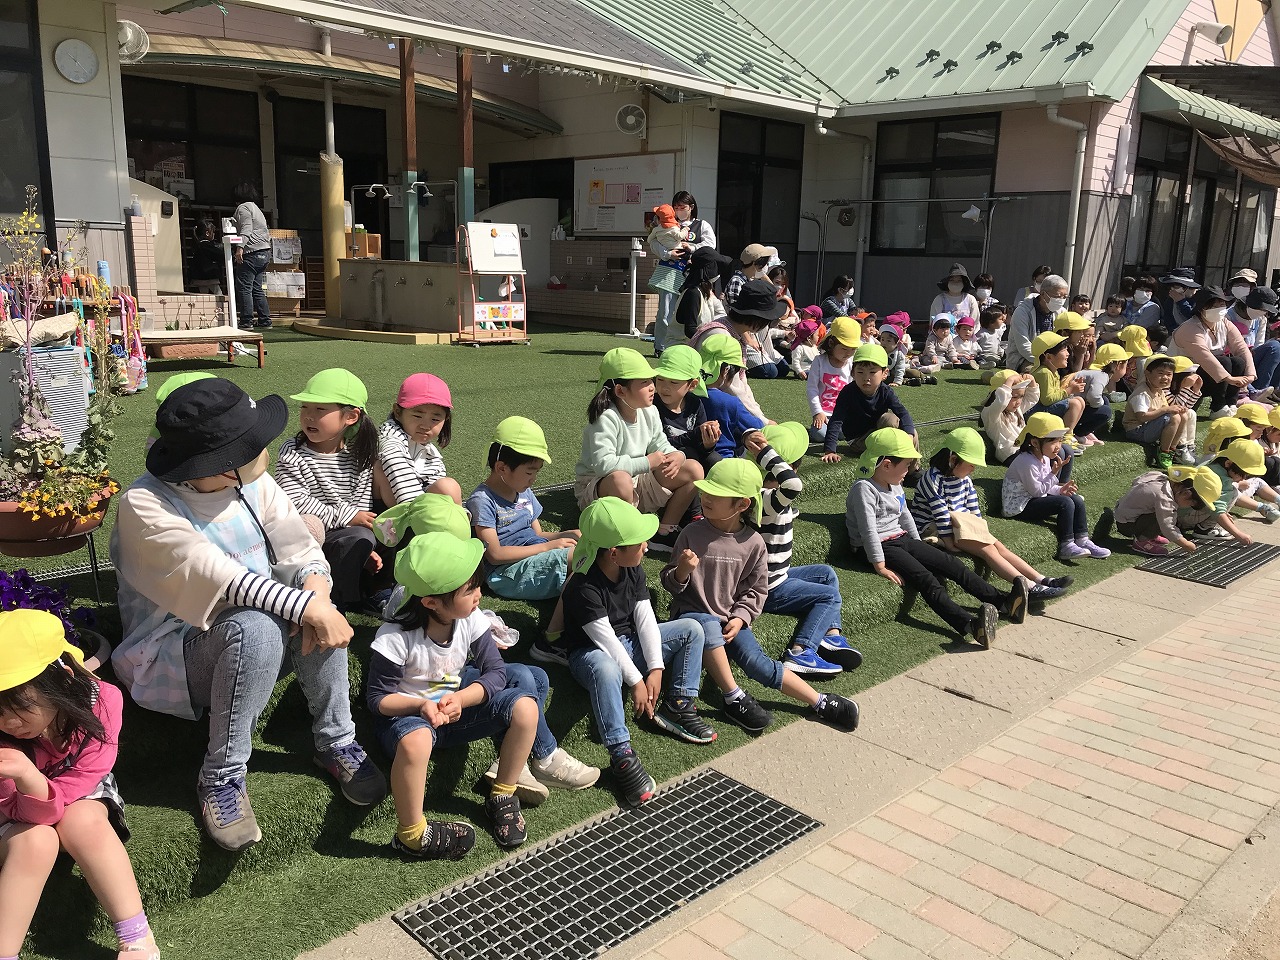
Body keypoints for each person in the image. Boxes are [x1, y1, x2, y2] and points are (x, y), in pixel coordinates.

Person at [110, 379, 387, 852]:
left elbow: (299, 549)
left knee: (309, 607)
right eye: (250, 444)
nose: (264, 449)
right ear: (218, 463)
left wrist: (315, 591)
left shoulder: (253, 481)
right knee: (260, 624)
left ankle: (336, 740)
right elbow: (221, 579)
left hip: (262, 635)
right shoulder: (144, 504)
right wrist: (306, 606)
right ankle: (221, 776)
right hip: (175, 652)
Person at [369, 534, 547, 856]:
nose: (479, 594)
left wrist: (462, 699)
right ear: (431, 602)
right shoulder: (395, 638)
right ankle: (412, 834)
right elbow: (379, 700)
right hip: (409, 718)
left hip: (455, 708)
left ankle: (502, 794)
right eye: (470, 589)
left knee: (526, 708)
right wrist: (422, 705)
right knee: (416, 741)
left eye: (477, 585)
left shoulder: (470, 619)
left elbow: (496, 672)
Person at [0, 610, 160, 960]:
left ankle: (137, 938)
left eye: (20, 704)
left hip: (77, 792)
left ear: (63, 680)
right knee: (37, 841)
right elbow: (15, 808)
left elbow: (89, 774)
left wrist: (37, 784)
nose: (9, 722)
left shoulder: (103, 702)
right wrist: (28, 778)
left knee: (83, 820)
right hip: (11, 812)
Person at [661, 460, 861, 734]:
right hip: (693, 616)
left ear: (742, 505)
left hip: (729, 619)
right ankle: (733, 697)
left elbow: (756, 590)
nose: (705, 498)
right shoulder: (691, 533)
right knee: (706, 624)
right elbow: (671, 584)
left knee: (758, 662)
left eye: (716, 495)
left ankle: (820, 701)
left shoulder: (754, 543)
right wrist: (682, 571)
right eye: (706, 491)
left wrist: (741, 617)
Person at [562, 498, 715, 806]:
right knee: (607, 668)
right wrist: (636, 681)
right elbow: (605, 641)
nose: (646, 546)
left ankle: (678, 704)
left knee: (692, 629)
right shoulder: (584, 587)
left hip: (629, 644)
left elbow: (645, 620)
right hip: (591, 654)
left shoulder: (633, 569)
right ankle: (621, 753)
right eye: (639, 542)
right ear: (614, 553)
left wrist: (656, 668)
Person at [846, 428, 1019, 647]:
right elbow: (869, 530)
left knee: (952, 564)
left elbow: (905, 515)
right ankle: (971, 625)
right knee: (927, 580)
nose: (909, 470)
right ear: (887, 464)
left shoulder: (895, 484)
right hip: (879, 546)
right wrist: (880, 565)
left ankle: (1002, 602)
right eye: (906, 465)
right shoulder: (864, 489)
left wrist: (919, 546)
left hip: (902, 539)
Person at [747, 424, 863, 675]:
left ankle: (831, 636)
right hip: (769, 587)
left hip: (776, 575)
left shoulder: (762, 494)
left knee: (826, 574)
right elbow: (793, 485)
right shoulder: (767, 499)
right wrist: (766, 452)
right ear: (791, 467)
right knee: (829, 597)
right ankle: (802, 651)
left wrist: (753, 442)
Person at [910, 428, 1070, 601]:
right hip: (934, 528)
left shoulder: (964, 479)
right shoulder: (931, 479)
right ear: (953, 460)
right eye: (971, 464)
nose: (973, 469)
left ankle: (1042, 579)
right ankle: (1030, 587)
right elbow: (941, 514)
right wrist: (949, 543)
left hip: (961, 524)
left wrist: (980, 531)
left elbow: (973, 508)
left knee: (999, 547)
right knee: (989, 551)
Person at [574, 347, 703, 553]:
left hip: (637, 480)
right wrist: (647, 463)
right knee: (620, 479)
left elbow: (660, 443)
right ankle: (629, 535)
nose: (653, 387)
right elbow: (603, 465)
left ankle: (664, 532)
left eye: (652, 380)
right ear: (620, 391)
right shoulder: (606, 418)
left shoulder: (649, 411)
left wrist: (677, 455)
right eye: (644, 382)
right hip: (600, 487)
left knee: (693, 469)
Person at [275, 369, 381, 612]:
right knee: (314, 525)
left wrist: (362, 547)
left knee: (365, 536)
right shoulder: (292, 450)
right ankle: (324, 599)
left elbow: (361, 505)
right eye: (305, 407)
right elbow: (294, 501)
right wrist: (346, 516)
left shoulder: (358, 453)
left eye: (320, 409)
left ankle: (361, 594)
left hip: (341, 535)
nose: (308, 416)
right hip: (306, 536)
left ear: (351, 416)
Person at [466, 417, 579, 601]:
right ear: (502, 468)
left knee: (593, 549)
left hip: (535, 554)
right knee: (580, 556)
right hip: (505, 573)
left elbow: (538, 534)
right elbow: (494, 555)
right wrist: (547, 547)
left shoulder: (523, 491)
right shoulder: (483, 500)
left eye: (536, 472)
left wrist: (567, 534)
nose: (533, 479)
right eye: (529, 472)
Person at [1002, 412, 1110, 560]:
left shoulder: (1044, 458)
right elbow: (1037, 491)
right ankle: (1066, 545)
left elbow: (1044, 487)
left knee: (1076, 499)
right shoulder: (1026, 462)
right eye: (1053, 441)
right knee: (1065, 503)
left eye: (1060, 441)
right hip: (1019, 507)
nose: (1058, 446)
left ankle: (1083, 540)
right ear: (1035, 443)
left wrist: (1060, 490)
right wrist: (1053, 474)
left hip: (1033, 498)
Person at [688, 279, 776, 422]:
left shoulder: (730, 329)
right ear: (758, 319)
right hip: (704, 406)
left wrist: (759, 415)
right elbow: (732, 387)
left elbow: (741, 382)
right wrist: (761, 421)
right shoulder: (722, 337)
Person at [376, 373, 463, 506]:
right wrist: (418, 512)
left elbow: (435, 482)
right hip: (388, 507)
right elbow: (395, 464)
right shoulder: (390, 438)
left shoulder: (429, 451)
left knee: (448, 486)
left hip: (416, 503)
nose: (425, 426)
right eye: (417, 416)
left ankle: (458, 518)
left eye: (435, 419)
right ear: (398, 412)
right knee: (379, 467)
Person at [1170, 285, 1255, 419]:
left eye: (1222, 305)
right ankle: (1218, 407)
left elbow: (1241, 348)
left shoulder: (1225, 323)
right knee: (1224, 361)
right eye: (1214, 306)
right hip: (1184, 376)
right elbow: (1205, 357)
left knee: (1238, 361)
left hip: (1213, 375)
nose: (1220, 309)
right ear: (1202, 308)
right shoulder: (1190, 328)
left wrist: (1250, 375)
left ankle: (1231, 404)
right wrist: (1229, 378)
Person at [821, 343, 918, 461]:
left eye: (872, 372)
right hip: (858, 440)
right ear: (853, 373)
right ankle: (890, 456)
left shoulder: (886, 391)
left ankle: (913, 469)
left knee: (905, 427)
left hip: (879, 432)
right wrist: (830, 450)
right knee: (892, 430)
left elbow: (902, 413)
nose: (866, 378)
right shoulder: (848, 393)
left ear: (884, 373)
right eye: (860, 372)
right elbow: (836, 420)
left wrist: (909, 435)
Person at [650, 191, 716, 355]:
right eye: (676, 207)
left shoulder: (702, 225)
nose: (678, 210)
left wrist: (692, 247)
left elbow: (710, 246)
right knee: (666, 311)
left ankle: (691, 345)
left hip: (694, 275)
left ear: (691, 207)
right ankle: (662, 346)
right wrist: (667, 253)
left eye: (682, 207)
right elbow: (653, 242)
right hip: (669, 272)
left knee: (695, 312)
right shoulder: (666, 224)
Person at [1109, 465, 1220, 556]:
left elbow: (1137, 480)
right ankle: (1142, 541)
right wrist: (1185, 544)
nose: (1189, 506)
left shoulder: (1161, 477)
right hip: (1127, 525)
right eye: (1191, 503)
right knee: (1163, 516)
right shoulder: (1164, 497)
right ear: (1186, 493)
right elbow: (1167, 526)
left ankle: (1149, 534)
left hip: (1125, 516)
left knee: (1160, 512)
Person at [653, 345, 721, 473]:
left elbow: (700, 447)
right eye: (660, 379)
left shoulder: (695, 403)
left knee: (715, 460)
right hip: (663, 461)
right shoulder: (652, 406)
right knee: (690, 454)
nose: (664, 387)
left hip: (692, 458)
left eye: (674, 382)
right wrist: (695, 434)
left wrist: (708, 443)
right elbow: (658, 445)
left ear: (692, 385)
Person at [698, 334, 766, 460]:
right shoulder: (729, 402)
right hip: (723, 460)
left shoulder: (685, 392)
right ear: (726, 371)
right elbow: (758, 426)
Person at [1124, 354, 1196, 468]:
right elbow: (1141, 417)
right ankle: (1164, 452)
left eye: (1169, 374)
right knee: (1174, 417)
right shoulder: (1142, 393)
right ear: (1147, 373)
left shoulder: (1159, 390)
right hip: (1137, 431)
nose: (1165, 378)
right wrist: (1166, 409)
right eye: (1160, 373)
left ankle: (1173, 449)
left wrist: (1178, 409)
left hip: (1149, 427)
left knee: (1183, 415)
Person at [1029, 331, 1093, 445]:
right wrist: (1069, 390)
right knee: (1075, 403)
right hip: (1033, 413)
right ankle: (1065, 438)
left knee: (1079, 400)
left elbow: (1054, 394)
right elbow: (1047, 400)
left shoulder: (1053, 371)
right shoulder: (1044, 373)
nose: (1068, 354)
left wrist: (1070, 387)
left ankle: (1069, 434)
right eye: (1064, 350)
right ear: (1048, 356)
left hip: (1042, 409)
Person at [1207, 439, 1279, 532]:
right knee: (1233, 492)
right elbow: (1218, 508)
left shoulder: (1223, 464)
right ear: (1228, 463)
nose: (1244, 478)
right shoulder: (1219, 477)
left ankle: (1275, 501)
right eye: (1242, 474)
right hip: (1201, 510)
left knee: (1256, 481)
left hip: (1210, 505)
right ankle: (1206, 528)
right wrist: (1239, 535)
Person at [806, 316, 859, 441]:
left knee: (850, 432)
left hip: (844, 415)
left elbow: (855, 390)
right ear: (831, 343)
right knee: (820, 435)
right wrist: (817, 412)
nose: (848, 353)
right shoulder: (819, 361)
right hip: (824, 414)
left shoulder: (852, 363)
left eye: (853, 349)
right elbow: (812, 389)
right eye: (844, 349)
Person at [1007, 274, 1069, 371]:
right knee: (1042, 374)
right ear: (1043, 294)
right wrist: (1046, 361)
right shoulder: (1022, 312)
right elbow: (1024, 346)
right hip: (1023, 359)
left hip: (1053, 359)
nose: (1061, 300)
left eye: (1065, 297)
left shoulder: (1062, 312)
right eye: (1057, 296)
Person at [672, 246, 733, 344]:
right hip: (680, 347)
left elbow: (721, 314)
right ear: (709, 268)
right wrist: (714, 342)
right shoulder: (693, 293)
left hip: (697, 345)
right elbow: (690, 330)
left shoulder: (705, 292)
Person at [980, 370, 1042, 466]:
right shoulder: (991, 413)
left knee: (1060, 451)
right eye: (1014, 397)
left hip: (1025, 448)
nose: (1018, 402)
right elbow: (1001, 402)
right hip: (1010, 454)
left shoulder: (1017, 409)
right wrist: (1010, 381)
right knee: (1037, 463)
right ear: (996, 394)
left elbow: (1032, 398)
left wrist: (1032, 382)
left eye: (1021, 396)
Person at [231, 194, 272, 328]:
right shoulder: (256, 208)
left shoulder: (243, 208)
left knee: (244, 287)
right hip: (265, 252)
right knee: (257, 288)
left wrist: (240, 248)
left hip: (251, 252)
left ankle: (246, 321)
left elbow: (246, 229)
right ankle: (265, 320)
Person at [1237, 286, 1280, 400]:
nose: (1263, 312)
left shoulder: (1261, 319)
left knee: (1277, 346)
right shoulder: (1228, 316)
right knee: (1274, 346)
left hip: (1253, 356)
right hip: (1235, 356)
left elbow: (1259, 344)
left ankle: (1272, 390)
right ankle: (1259, 390)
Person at [724, 243, 775, 311]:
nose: (766, 266)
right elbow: (736, 310)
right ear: (755, 264)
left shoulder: (749, 280)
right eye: (765, 264)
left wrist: (763, 275)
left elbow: (772, 294)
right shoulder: (737, 282)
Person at [1159, 267, 1200, 335]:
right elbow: (1168, 321)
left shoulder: (1202, 298)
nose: (1172, 289)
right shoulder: (1170, 300)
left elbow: (1196, 318)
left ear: (1187, 287)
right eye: (1171, 286)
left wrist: (1181, 302)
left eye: (1176, 286)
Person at [1054, 310, 1096, 374]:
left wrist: (1092, 353)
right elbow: (1072, 376)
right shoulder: (1059, 351)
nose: (1082, 335)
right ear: (1065, 334)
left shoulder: (1069, 347)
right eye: (1079, 332)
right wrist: (1080, 354)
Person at [189, 220, 223, 295]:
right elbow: (219, 254)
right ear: (207, 233)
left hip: (198, 277)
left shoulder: (196, 245)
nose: (214, 234)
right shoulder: (207, 246)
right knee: (219, 295)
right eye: (213, 232)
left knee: (203, 297)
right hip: (209, 276)